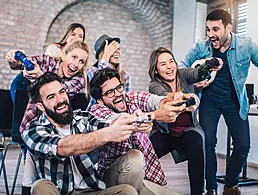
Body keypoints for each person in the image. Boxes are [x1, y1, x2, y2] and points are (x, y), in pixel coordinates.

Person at [23, 72, 140, 195]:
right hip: (59, 192)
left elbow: (108, 123)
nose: (61, 100)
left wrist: (136, 121)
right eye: (51, 97)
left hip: (91, 191)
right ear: (40, 106)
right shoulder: (33, 131)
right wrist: (105, 134)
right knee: (40, 186)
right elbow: (63, 147)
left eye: (62, 92)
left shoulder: (83, 117)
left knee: (128, 191)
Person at [181, 9, 258, 195]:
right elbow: (182, 68)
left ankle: (231, 184)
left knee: (242, 145)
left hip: (235, 101)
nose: (210, 34)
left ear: (228, 27)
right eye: (208, 29)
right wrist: (194, 77)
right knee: (208, 142)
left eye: (215, 29)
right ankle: (211, 188)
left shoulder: (246, 46)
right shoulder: (201, 46)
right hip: (209, 100)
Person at [5, 40, 89, 194]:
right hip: (32, 123)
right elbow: (24, 63)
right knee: (33, 152)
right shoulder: (48, 62)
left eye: (81, 61)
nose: (76, 64)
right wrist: (14, 59)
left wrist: (40, 75)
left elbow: (61, 89)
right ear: (63, 55)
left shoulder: (79, 80)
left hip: (58, 129)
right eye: (74, 57)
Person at [89, 68, 184, 195]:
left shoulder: (132, 98)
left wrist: (179, 100)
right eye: (110, 92)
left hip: (141, 177)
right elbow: (119, 121)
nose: (117, 94)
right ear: (100, 100)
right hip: (112, 177)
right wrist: (153, 116)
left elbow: (155, 100)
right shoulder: (96, 111)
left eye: (119, 88)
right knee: (135, 157)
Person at [148, 47, 221, 195]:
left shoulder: (183, 74)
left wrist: (209, 66)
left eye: (171, 61)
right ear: (155, 70)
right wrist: (185, 100)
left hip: (188, 131)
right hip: (165, 132)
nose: (169, 66)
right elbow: (165, 97)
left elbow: (197, 73)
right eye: (163, 64)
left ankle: (197, 192)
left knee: (197, 140)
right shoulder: (154, 85)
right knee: (145, 153)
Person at [8, 23, 86, 102]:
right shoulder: (53, 53)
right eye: (73, 34)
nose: (76, 38)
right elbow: (35, 63)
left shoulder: (79, 78)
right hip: (26, 82)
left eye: (80, 36)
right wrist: (14, 59)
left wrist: (41, 77)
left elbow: (59, 89)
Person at [87, 34, 130, 110]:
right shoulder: (92, 71)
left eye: (118, 49)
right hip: (98, 114)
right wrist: (105, 57)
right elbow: (96, 98)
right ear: (104, 53)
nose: (117, 52)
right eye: (112, 49)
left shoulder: (124, 75)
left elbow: (126, 100)